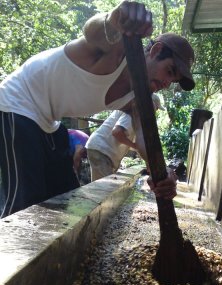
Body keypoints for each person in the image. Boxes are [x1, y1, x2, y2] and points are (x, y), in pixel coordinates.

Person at [0, 1, 195, 218]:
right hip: (16, 103)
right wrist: (115, 18)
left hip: (49, 121)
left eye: (173, 79)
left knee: (65, 200)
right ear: (156, 50)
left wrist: (162, 173)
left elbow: (144, 140)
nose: (167, 83)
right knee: (24, 204)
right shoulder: (117, 50)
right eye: (169, 71)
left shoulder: (140, 98)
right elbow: (93, 32)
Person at [86, 94, 164, 181]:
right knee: (102, 189)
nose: (155, 112)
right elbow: (117, 132)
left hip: (102, 149)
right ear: (148, 105)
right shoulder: (134, 110)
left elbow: (139, 145)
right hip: (102, 148)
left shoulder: (137, 116)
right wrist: (136, 147)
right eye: (155, 108)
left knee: (104, 186)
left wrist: (148, 162)